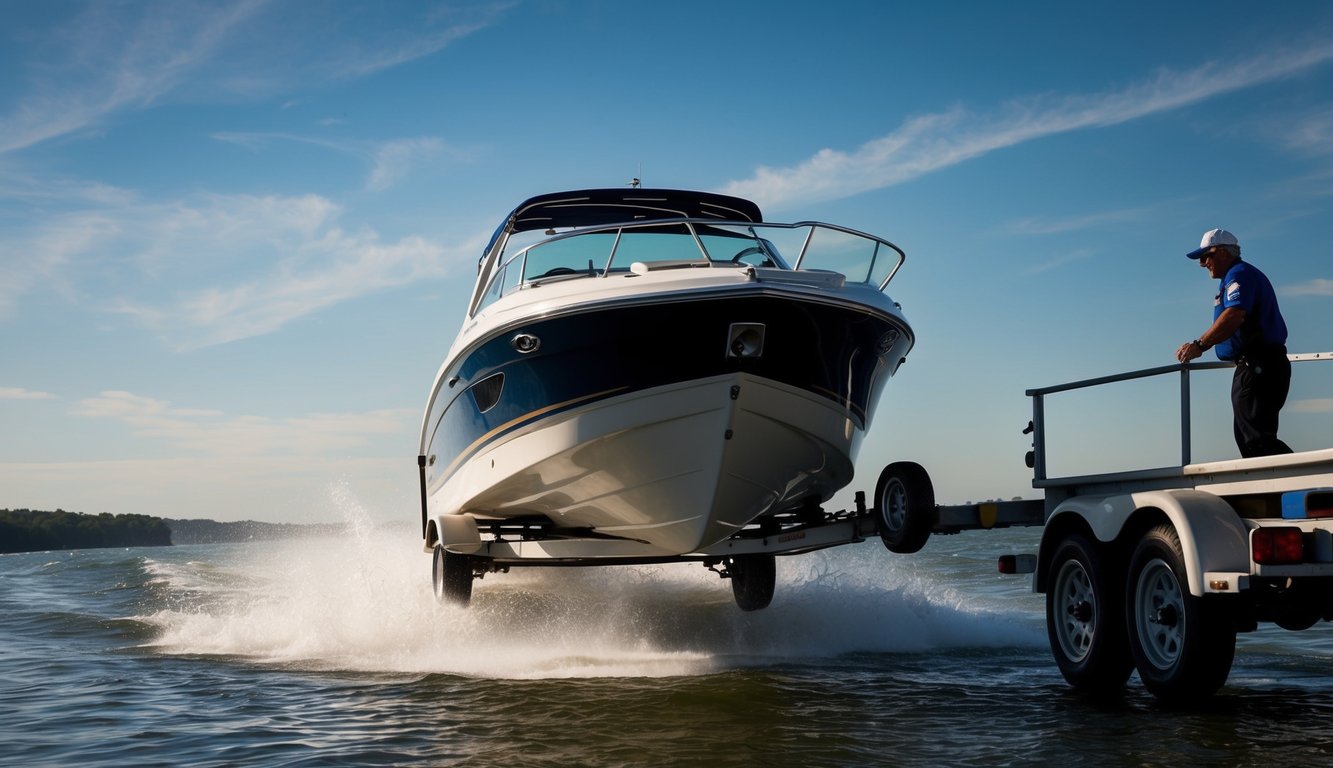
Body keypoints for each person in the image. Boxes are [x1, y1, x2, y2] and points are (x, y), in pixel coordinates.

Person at [1175, 228, 1293, 458]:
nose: (1202, 264)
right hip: (1260, 365)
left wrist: (1199, 345)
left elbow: (1234, 315)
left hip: (1259, 365)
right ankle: (1278, 490)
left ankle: (1313, 481)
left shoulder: (1239, 275)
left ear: (1222, 253)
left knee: (1256, 440)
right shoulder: (1239, 275)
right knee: (1250, 437)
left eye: (1205, 256)